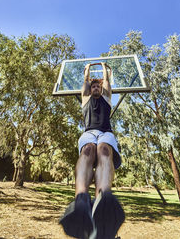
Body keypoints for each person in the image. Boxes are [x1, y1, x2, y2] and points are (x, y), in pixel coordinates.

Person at [60, 62, 125, 239]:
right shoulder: (86, 99)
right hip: (89, 133)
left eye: (98, 85)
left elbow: (107, 82)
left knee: (104, 151)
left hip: (105, 133)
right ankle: (81, 199)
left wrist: (104, 68)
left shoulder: (107, 98)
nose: (96, 87)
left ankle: (101, 200)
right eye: (93, 86)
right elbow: (85, 82)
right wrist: (87, 70)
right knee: (88, 150)